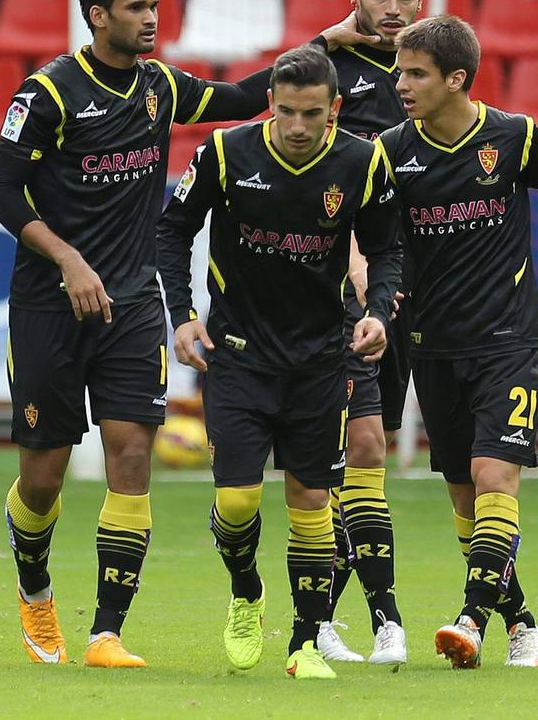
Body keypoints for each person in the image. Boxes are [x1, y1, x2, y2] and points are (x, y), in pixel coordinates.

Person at [0, 0, 367, 670]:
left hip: (130, 302)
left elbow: (248, 95)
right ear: (98, 15)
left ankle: (105, 632)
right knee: (44, 475)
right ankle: (35, 587)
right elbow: (2, 195)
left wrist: (328, 40)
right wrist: (67, 261)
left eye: (155, 5)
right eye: (137, 7)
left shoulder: (161, 87)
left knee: (132, 451)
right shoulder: (48, 94)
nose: (152, 17)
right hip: (47, 304)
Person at [376, 15, 538, 668]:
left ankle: (471, 617)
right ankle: (521, 620)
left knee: (496, 477)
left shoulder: (513, 137)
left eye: (415, 74)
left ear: (456, 78)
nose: (400, 84)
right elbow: (372, 238)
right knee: (465, 496)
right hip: (430, 345)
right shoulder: (389, 152)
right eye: (399, 72)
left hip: (507, 342)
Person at [156, 45, 402, 680]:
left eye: (312, 114)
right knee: (238, 504)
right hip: (237, 358)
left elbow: (386, 245)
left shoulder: (363, 160)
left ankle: (304, 643)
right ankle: (245, 592)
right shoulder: (225, 153)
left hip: (320, 360)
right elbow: (171, 230)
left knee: (311, 499)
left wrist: (376, 309)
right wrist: (183, 316)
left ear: (335, 109)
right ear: (271, 104)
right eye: (287, 112)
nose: (297, 127)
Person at [305, 0, 422, 666]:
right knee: (354, 449)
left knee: (370, 460)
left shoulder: (429, 70)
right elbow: (283, 111)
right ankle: (353, 618)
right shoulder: (327, 67)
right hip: (340, 288)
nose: (392, 9)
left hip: (410, 286)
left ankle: (322, 617)